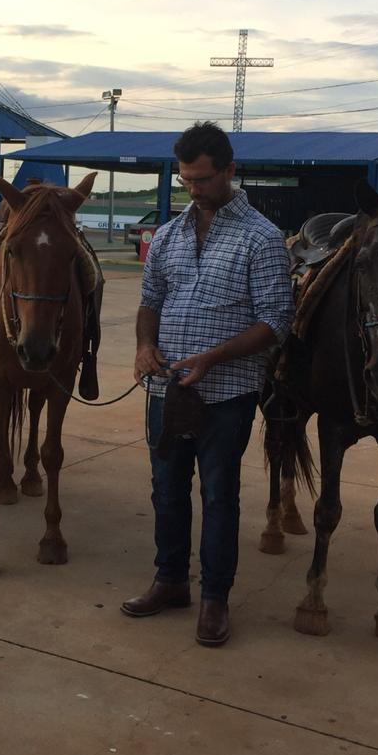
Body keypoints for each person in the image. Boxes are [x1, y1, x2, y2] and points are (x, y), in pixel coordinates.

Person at [123, 122, 294, 647]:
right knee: (166, 490)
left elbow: (275, 322)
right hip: (167, 389)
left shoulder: (261, 237)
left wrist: (213, 357)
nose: (193, 189)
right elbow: (150, 300)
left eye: (202, 179)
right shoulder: (169, 235)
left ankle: (215, 598)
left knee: (219, 495)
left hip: (227, 394)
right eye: (186, 180)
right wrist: (144, 347)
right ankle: (171, 580)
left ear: (229, 171)